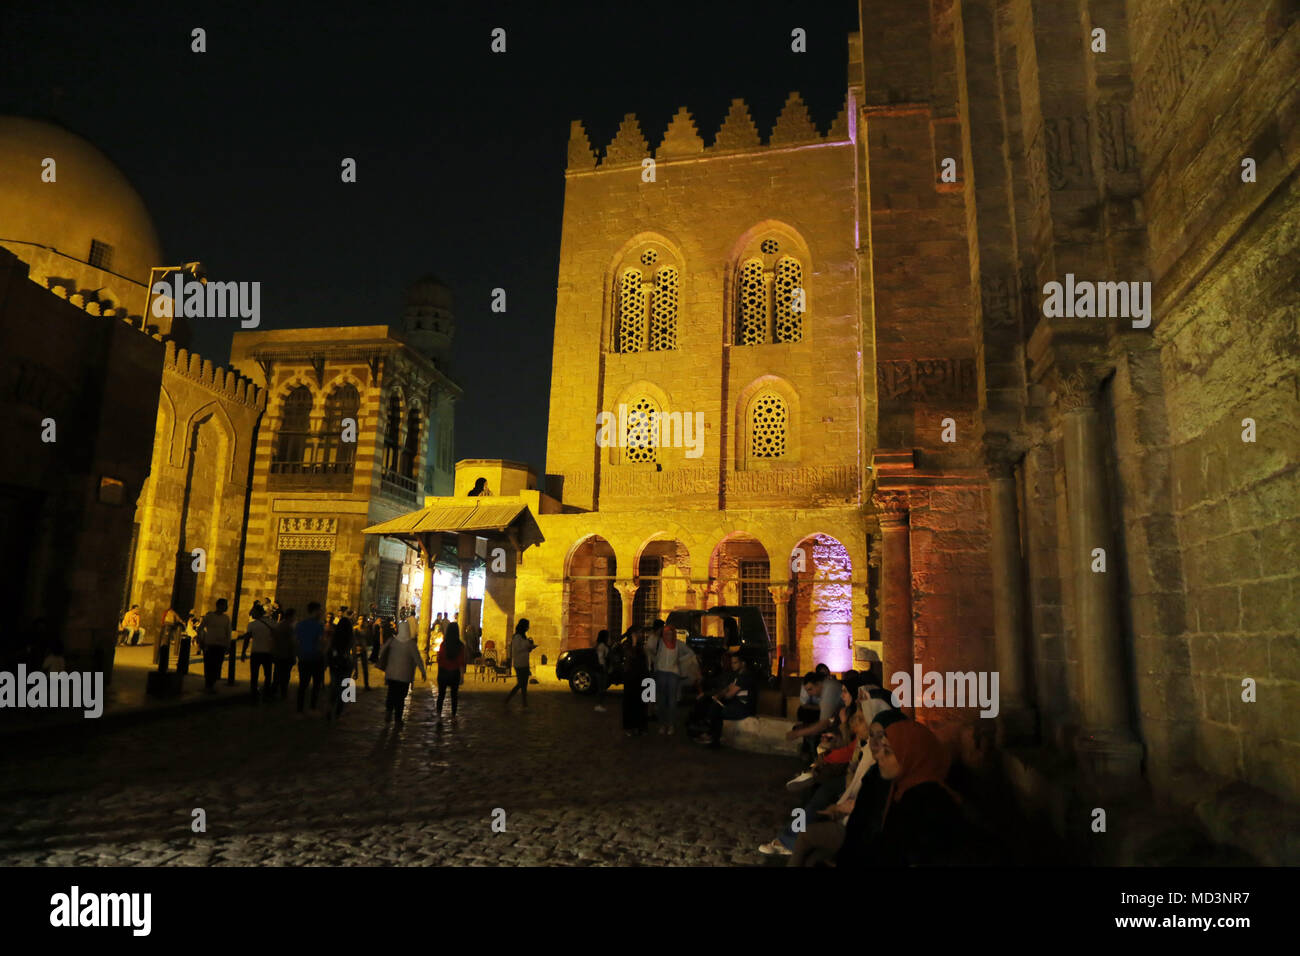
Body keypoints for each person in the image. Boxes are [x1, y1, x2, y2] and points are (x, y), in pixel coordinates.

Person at [787, 706, 900, 866]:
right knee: (812, 857)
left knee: (809, 826)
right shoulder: (868, 751)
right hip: (854, 818)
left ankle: (788, 840)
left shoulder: (885, 770)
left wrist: (840, 809)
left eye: (886, 748)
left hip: (861, 833)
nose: (877, 748)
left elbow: (869, 808)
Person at [644, 619, 696, 735]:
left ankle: (671, 724)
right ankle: (662, 724)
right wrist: (655, 660)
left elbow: (690, 653)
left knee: (672, 701)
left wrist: (679, 660)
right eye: (667, 633)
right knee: (662, 700)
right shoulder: (659, 643)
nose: (669, 635)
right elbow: (648, 650)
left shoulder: (678, 644)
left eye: (671, 633)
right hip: (661, 672)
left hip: (673, 673)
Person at [694, 652, 755, 749]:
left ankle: (713, 737)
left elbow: (730, 694)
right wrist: (718, 695)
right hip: (737, 703)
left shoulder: (745, 676)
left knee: (718, 710)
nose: (732, 665)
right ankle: (711, 735)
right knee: (715, 706)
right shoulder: (737, 675)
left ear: (742, 663)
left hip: (743, 707)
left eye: (735, 663)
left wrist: (719, 696)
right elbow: (727, 688)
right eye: (732, 663)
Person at [378, 612, 426, 726]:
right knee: (400, 698)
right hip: (404, 676)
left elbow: (381, 651)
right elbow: (418, 659)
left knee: (391, 694)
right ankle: (398, 719)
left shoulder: (392, 641)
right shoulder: (411, 644)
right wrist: (423, 672)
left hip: (391, 674)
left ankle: (388, 712)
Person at [786, 669, 843, 758]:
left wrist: (797, 733)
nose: (809, 694)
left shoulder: (829, 690)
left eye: (810, 689)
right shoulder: (827, 688)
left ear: (818, 684)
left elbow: (823, 724)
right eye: (807, 691)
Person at [295, 602, 327, 714]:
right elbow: (321, 642)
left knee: (303, 685)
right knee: (316, 685)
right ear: (315, 611)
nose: (322, 612)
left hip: (303, 658)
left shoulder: (299, 625)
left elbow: (296, 641)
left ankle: (299, 710)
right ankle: (312, 708)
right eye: (320, 610)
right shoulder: (319, 625)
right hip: (316, 658)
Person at [325, 608, 355, 721]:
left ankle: (329, 707)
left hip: (335, 663)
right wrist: (355, 668)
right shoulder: (350, 637)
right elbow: (353, 653)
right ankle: (339, 712)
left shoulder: (334, 637)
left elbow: (329, 649)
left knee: (334, 685)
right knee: (345, 688)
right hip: (346, 664)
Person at [198, 599, 232, 692]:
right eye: (225, 605)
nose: (226, 607)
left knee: (217, 666)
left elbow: (228, 633)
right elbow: (200, 628)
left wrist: (228, 645)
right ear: (219, 606)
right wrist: (201, 641)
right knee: (209, 665)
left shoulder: (226, 618)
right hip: (210, 644)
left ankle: (211, 684)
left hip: (220, 645)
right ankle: (208, 684)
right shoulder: (209, 616)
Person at [435, 621, 467, 720]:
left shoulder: (443, 644)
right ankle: (453, 716)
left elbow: (439, 659)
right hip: (454, 673)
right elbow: (461, 661)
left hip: (443, 672)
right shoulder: (460, 645)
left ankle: (439, 715)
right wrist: (462, 676)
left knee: (441, 695)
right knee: (454, 695)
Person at [621, 627, 649, 736]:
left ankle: (640, 726)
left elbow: (643, 660)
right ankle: (630, 727)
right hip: (630, 678)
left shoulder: (641, 646)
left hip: (641, 677)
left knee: (641, 703)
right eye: (638, 633)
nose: (640, 634)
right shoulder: (626, 645)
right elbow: (631, 656)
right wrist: (633, 643)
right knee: (630, 703)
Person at [246, 602, 276, 701]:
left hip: (256, 652)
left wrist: (243, 652)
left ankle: (253, 693)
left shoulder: (252, 625)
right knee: (268, 674)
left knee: (254, 675)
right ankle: (267, 693)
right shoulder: (272, 623)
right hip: (268, 652)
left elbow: (247, 639)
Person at [503, 619, 535, 708]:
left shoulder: (523, 637)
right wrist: (527, 646)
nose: (528, 627)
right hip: (519, 663)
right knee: (521, 683)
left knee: (524, 684)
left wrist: (530, 648)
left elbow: (525, 648)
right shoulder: (517, 637)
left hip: (525, 662)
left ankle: (524, 702)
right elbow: (517, 649)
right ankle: (508, 698)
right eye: (527, 626)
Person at [271, 608, 297, 701]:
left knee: (277, 673)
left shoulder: (279, 625)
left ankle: (273, 691)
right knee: (285, 675)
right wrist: (294, 655)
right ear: (291, 616)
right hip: (287, 654)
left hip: (278, 653)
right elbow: (292, 642)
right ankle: (283, 693)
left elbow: (274, 639)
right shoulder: (289, 627)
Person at [593, 629, 610, 712]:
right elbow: (601, 659)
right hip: (601, 669)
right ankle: (598, 705)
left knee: (601, 688)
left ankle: (599, 704)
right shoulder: (602, 646)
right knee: (601, 688)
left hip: (599, 669)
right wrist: (604, 668)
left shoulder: (600, 645)